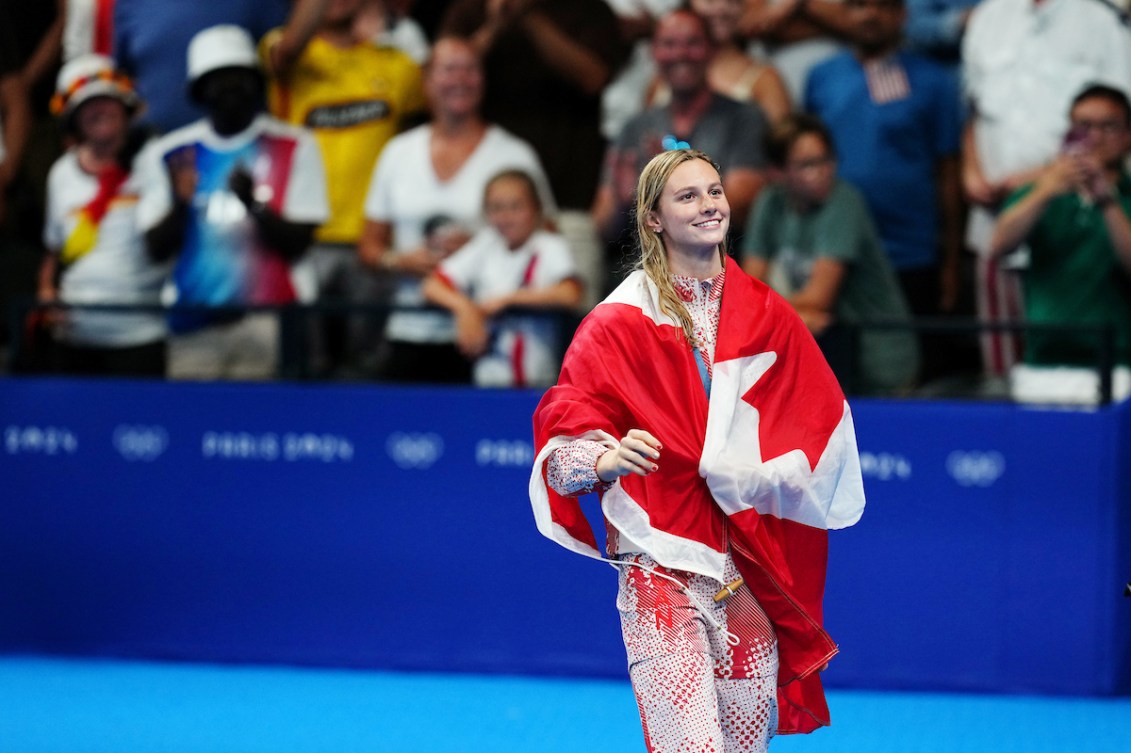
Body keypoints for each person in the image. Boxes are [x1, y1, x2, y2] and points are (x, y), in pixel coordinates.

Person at [530, 148, 865, 752]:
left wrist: (766, 472)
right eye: (687, 196)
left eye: (715, 191)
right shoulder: (617, 322)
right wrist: (604, 460)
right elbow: (561, 451)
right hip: (660, 564)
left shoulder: (769, 313)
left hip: (748, 567)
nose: (709, 205)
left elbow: (822, 429)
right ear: (652, 218)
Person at [136, 24, 329, 380]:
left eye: (239, 78)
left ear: (256, 85)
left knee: (265, 427)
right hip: (193, 325)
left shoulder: (295, 144)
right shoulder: (170, 153)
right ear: (198, 90)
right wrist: (181, 205)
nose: (229, 90)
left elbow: (300, 242)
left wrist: (252, 204)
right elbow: (155, 248)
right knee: (189, 427)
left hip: (270, 322)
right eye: (217, 80)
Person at [359, 35, 555, 384]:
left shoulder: (514, 154)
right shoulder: (397, 153)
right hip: (409, 324)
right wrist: (399, 261)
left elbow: (548, 241)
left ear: (484, 80)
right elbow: (369, 248)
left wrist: (486, 250)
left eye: (471, 70)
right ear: (427, 81)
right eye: (449, 69)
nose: (460, 80)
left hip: (491, 333)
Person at [961, 0, 1131, 378]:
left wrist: (1043, 178)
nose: (1096, 134)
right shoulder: (988, 17)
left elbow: (1114, 110)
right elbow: (972, 110)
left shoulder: (1100, 20)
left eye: (1106, 129)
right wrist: (972, 171)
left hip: (1075, 196)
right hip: (1001, 214)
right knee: (1005, 379)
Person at [261, 0, 426, 375]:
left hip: (370, 245)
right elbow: (286, 52)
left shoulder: (395, 64)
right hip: (303, 242)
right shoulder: (287, 49)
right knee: (303, 369)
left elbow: (452, 88)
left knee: (368, 370)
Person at [440, 0, 628, 311]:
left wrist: (530, 17)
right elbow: (448, 72)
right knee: (491, 330)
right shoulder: (470, 9)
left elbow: (594, 77)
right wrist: (494, 28)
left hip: (569, 208)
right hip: (494, 216)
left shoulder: (589, 8)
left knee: (578, 333)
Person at [741, 114, 919, 394]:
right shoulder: (770, 203)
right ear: (778, 171)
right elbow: (747, 294)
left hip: (880, 361)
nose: (823, 172)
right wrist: (791, 314)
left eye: (827, 160)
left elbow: (818, 299)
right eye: (808, 165)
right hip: (828, 358)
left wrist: (768, 315)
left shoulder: (844, 202)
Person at [988, 84, 1131, 405]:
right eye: (1082, 126)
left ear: (1127, 136)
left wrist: (1107, 201)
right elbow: (999, 245)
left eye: (1107, 126)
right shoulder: (1043, 191)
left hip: (1120, 364)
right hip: (1045, 365)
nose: (1093, 136)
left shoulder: (1125, 198)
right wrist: (1046, 190)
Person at [37, 54, 168, 377]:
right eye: (86, 105)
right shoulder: (61, 173)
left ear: (126, 109)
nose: (98, 110)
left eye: (107, 101)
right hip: (74, 338)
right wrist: (46, 292)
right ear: (73, 119)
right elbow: (55, 249)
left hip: (142, 334)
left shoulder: (155, 160)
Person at [593, 9, 769, 250]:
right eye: (669, 44)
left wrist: (658, 190)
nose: (680, 53)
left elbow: (740, 206)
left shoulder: (743, 118)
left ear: (711, 49)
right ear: (654, 52)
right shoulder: (635, 127)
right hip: (647, 263)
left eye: (692, 43)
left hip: (723, 263)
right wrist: (627, 205)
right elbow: (602, 226)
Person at [421, 169, 582, 387]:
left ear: (536, 208)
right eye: (496, 208)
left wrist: (507, 300)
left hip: (535, 383)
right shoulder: (486, 243)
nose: (506, 217)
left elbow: (571, 294)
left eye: (516, 207)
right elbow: (432, 285)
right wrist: (464, 308)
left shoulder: (549, 245)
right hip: (485, 379)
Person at [649, 0, 791, 125]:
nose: (721, 8)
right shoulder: (663, 80)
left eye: (732, 1)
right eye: (710, 1)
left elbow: (784, 144)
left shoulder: (766, 79)